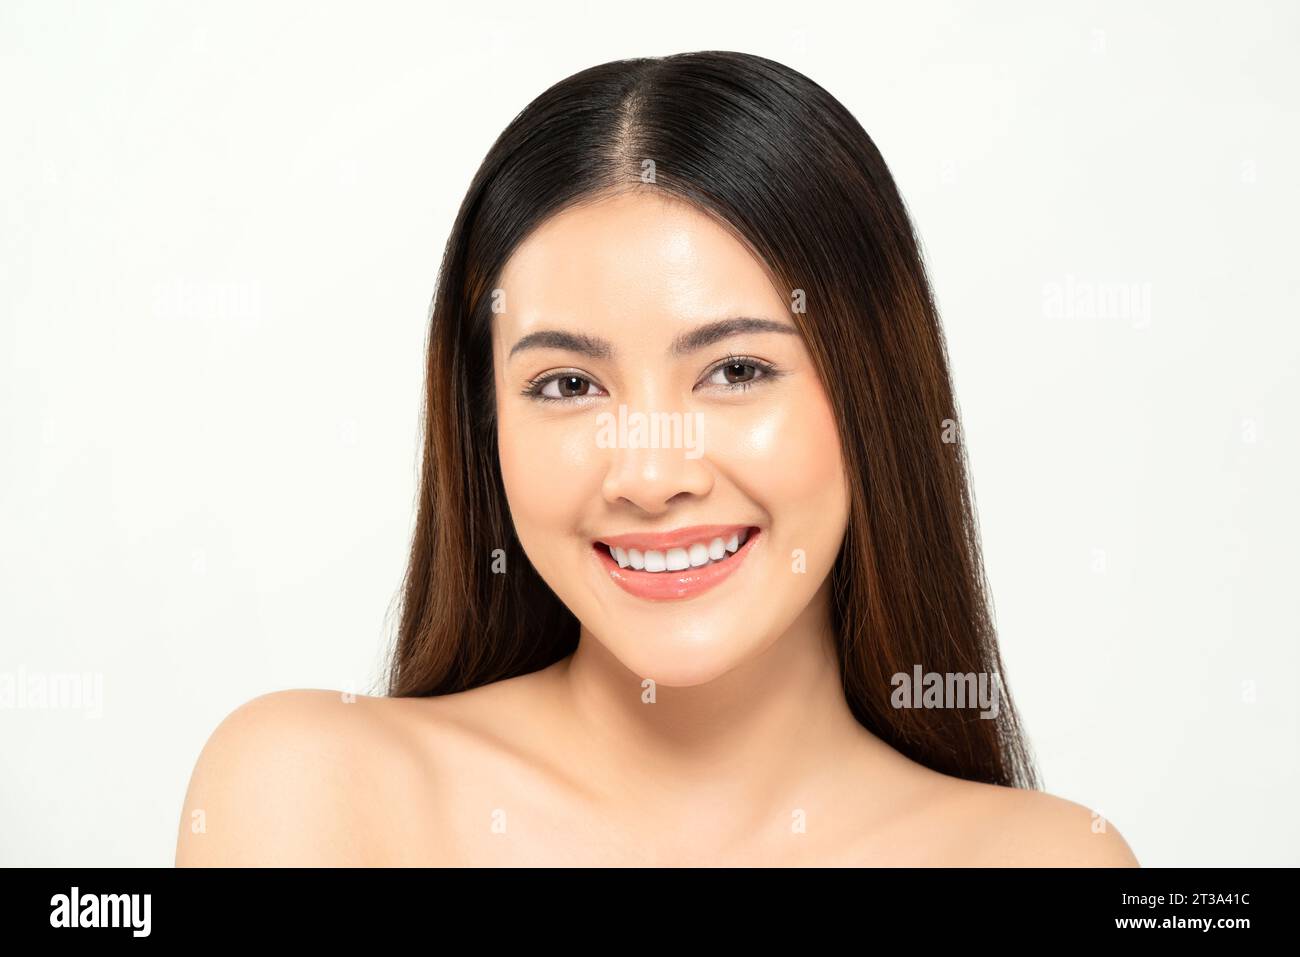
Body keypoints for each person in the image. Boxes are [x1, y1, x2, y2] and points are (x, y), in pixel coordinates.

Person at [176, 51, 1139, 867]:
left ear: (873, 394)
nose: (649, 473)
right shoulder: (312, 795)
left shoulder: (1050, 859)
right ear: (485, 428)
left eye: (735, 368)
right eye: (567, 386)